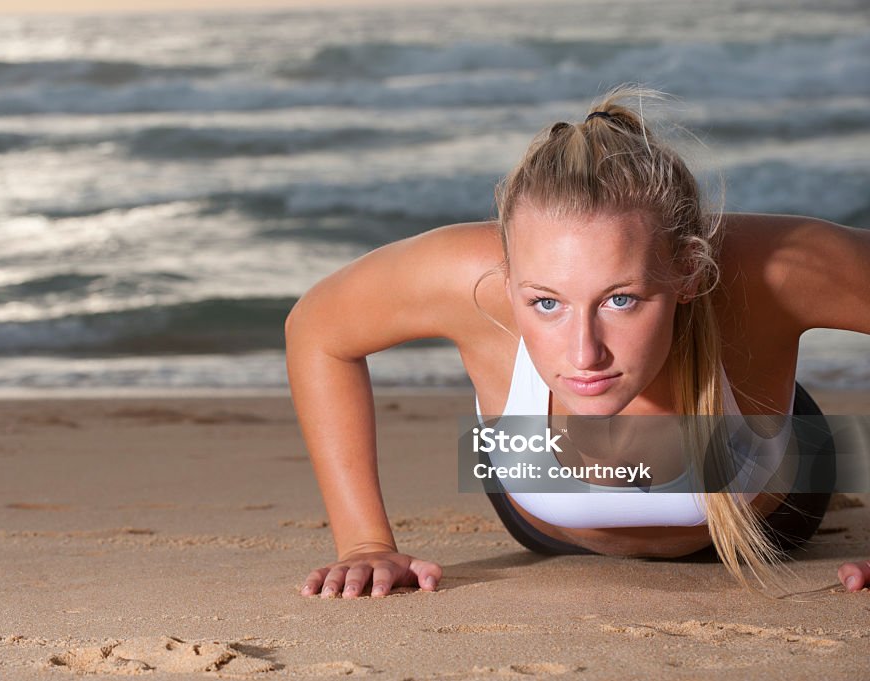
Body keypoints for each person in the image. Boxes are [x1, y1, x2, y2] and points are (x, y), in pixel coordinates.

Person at [284, 85, 870, 600]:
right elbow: (316, 328)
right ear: (508, 282)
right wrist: (365, 542)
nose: (584, 353)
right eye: (546, 303)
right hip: (546, 522)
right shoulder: (470, 279)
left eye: (621, 300)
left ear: (689, 271)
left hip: (767, 501)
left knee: (825, 442)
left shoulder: (772, 269)